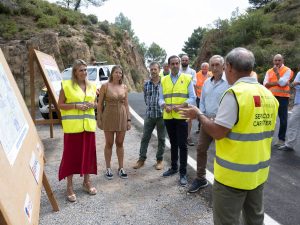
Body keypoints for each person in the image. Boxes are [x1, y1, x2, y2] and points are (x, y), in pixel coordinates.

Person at [180, 47, 278, 225]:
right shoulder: (269, 95)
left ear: (230, 67)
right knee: (255, 219)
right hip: (258, 173)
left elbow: (218, 132)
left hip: (233, 177)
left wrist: (198, 115)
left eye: (223, 66)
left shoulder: (234, 94)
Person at [188, 55, 229, 193]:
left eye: (217, 64)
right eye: (212, 65)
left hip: (223, 122)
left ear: (223, 66)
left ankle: (225, 182)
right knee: (200, 149)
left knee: (223, 153)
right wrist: (203, 116)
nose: (215, 67)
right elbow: (202, 101)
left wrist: (218, 118)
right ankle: (201, 179)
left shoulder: (230, 83)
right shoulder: (206, 83)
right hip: (207, 120)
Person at [58, 59, 98, 202]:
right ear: (75, 72)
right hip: (72, 129)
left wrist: (93, 104)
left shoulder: (92, 86)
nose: (84, 72)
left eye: (85, 70)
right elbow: (60, 105)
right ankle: (69, 186)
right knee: (71, 156)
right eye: (81, 70)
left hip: (88, 127)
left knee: (88, 155)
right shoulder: (66, 85)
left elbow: (96, 104)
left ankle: (86, 182)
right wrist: (75, 105)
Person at [159, 55, 196, 186]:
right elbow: (160, 98)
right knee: (173, 144)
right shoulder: (163, 80)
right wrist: (164, 105)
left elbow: (192, 98)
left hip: (181, 116)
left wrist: (179, 106)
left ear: (179, 64)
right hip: (168, 117)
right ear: (168, 66)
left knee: (182, 145)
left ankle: (183, 173)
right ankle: (174, 168)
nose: (175, 66)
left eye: (176, 63)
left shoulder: (187, 78)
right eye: (172, 64)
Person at [97, 65, 131, 179]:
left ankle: (121, 168)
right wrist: (99, 118)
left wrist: (129, 119)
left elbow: (126, 104)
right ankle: (108, 168)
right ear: (112, 73)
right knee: (109, 143)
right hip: (108, 116)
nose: (118, 74)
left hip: (122, 115)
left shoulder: (124, 87)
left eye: (120, 73)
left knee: (120, 143)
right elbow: (100, 104)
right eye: (116, 72)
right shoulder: (105, 86)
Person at [133, 62, 166, 170]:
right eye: (151, 69)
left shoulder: (165, 83)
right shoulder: (146, 84)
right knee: (145, 138)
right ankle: (141, 159)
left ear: (159, 70)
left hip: (162, 115)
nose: (153, 71)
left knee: (161, 139)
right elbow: (146, 99)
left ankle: (159, 160)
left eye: (155, 69)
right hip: (149, 115)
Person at [263, 54, 293, 147]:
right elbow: (265, 84)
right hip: (270, 97)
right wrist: (277, 82)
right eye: (275, 60)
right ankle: (267, 137)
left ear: (282, 60)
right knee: (268, 117)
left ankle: (281, 139)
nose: (277, 62)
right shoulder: (269, 71)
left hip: (283, 97)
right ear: (273, 61)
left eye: (279, 60)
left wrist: (277, 74)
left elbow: (283, 83)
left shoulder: (287, 70)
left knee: (283, 119)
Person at [278, 66, 300, 151]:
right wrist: (295, 84)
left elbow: (296, 84)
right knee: (292, 123)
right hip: (298, 103)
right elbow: (294, 85)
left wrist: (297, 84)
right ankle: (290, 145)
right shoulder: (299, 73)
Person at [180, 54, 197, 146]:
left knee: (189, 118)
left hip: (189, 98)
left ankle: (188, 137)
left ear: (188, 61)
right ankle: (180, 136)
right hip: (178, 98)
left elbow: (194, 82)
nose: (184, 62)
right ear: (181, 61)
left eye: (186, 60)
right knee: (179, 117)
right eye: (183, 60)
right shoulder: (177, 70)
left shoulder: (192, 71)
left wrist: (183, 82)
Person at [195, 62, 212, 133]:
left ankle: (209, 127)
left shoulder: (211, 74)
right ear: (201, 68)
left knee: (209, 112)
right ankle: (200, 127)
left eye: (206, 67)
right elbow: (194, 86)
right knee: (200, 112)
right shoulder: (197, 75)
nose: (204, 68)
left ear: (208, 68)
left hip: (209, 97)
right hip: (199, 97)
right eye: (203, 66)